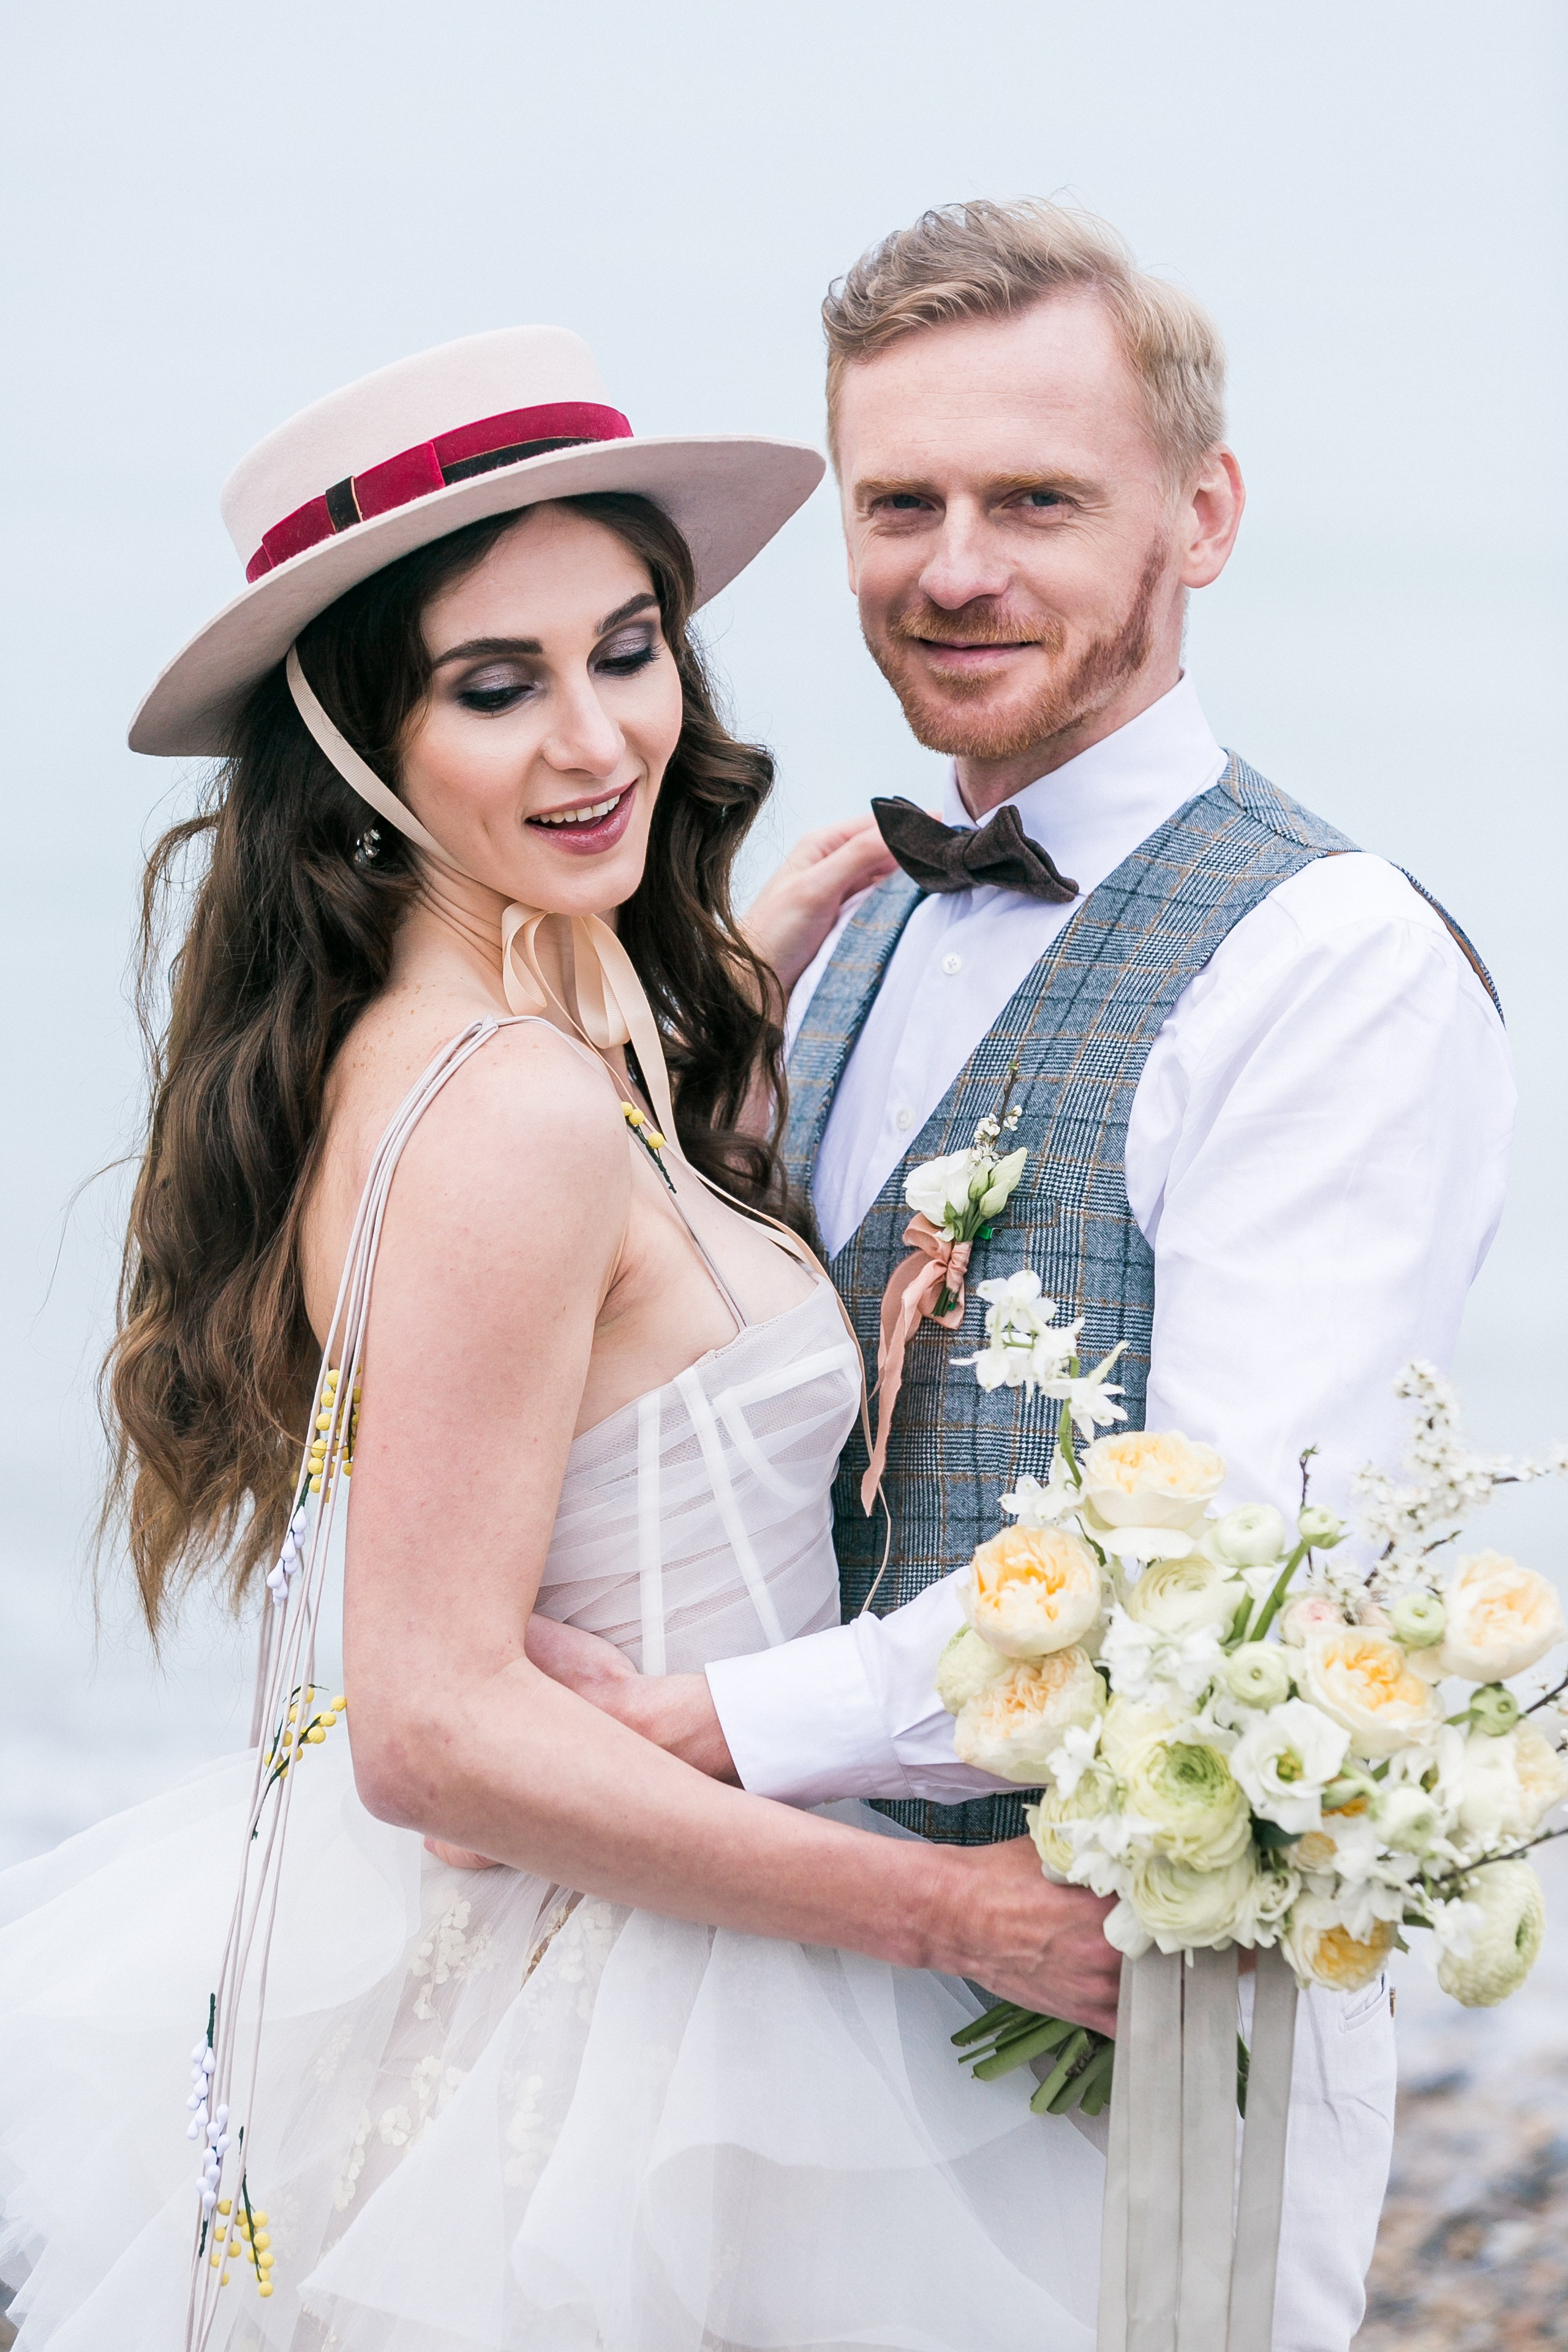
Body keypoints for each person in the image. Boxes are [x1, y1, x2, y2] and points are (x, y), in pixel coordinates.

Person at [0, 325, 1116, 2351]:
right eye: (495, 689)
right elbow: (428, 1726)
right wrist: (961, 1917)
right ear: (357, 746)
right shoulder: (506, 1112)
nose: (598, 742)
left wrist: (735, 993)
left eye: (627, 648)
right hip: (640, 2026)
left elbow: (596, 1363)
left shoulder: (512, 1041)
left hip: (642, 1951)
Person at [540, 202, 1517, 2352]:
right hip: (790, 1977)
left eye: (1035, 500)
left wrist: (705, 1733)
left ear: (1205, 512)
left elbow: (1222, 1564)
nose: (953, 567)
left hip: (1122, 2023)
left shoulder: (1332, 963)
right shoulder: (852, 924)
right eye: (901, 503)